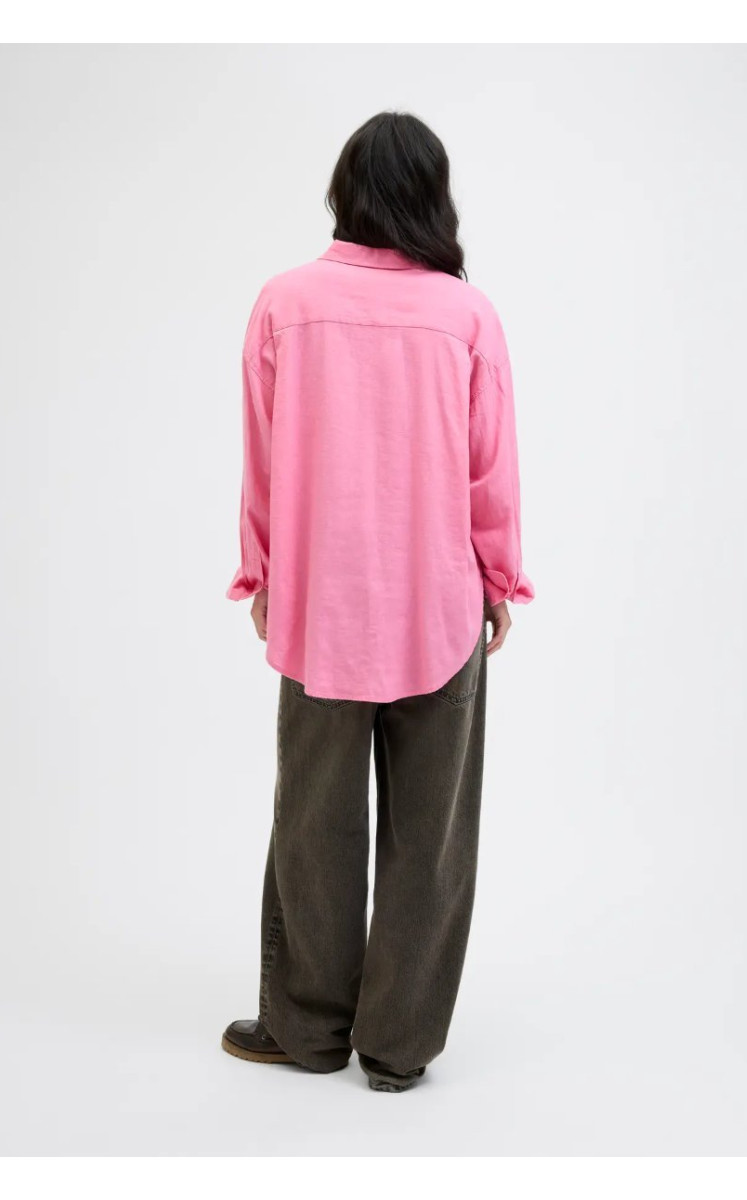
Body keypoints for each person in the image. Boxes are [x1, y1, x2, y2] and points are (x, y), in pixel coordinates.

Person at [221, 111, 534, 1093]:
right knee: (429, 839)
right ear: (433, 196)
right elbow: (490, 468)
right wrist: (498, 580)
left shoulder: (284, 302)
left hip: (319, 606)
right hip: (438, 609)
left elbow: (263, 456)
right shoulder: (465, 314)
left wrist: (262, 571)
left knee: (312, 824)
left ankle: (307, 1029)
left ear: (344, 189)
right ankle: (397, 1049)